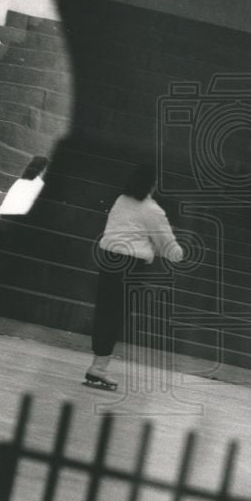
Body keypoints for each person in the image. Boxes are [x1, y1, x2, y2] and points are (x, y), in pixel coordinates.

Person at [85, 163, 185, 390]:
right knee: (117, 315)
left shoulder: (121, 200)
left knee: (104, 313)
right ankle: (98, 368)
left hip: (108, 259)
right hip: (130, 266)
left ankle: (97, 364)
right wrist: (179, 254)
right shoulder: (152, 210)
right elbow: (168, 245)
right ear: (152, 185)